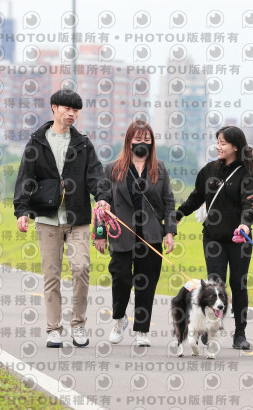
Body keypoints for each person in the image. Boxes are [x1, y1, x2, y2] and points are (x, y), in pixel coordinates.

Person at [13, 89, 110, 349]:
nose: (72, 114)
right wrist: (22, 210)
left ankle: (78, 324)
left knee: (81, 268)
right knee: (51, 275)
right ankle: (53, 329)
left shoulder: (83, 144)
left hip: (78, 218)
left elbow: (96, 175)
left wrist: (102, 196)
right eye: (67, 108)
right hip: (47, 218)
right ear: (54, 107)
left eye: (76, 110)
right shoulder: (37, 142)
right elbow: (25, 178)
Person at [176, 126, 253, 350]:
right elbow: (196, 197)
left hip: (239, 239)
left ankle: (240, 334)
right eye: (217, 142)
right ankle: (211, 329)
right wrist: (178, 214)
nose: (218, 147)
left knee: (238, 284)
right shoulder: (209, 170)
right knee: (215, 284)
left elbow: (250, 203)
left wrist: (245, 224)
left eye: (223, 143)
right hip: (213, 238)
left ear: (235, 146)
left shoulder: (247, 173)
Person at [95, 120, 176, 347]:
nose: (143, 143)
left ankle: (142, 330)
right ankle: (119, 319)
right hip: (121, 234)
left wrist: (170, 232)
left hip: (151, 235)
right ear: (129, 141)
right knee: (120, 278)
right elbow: (102, 204)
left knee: (146, 283)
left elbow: (169, 202)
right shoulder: (112, 169)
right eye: (138, 139)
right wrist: (100, 234)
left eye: (147, 140)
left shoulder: (159, 169)